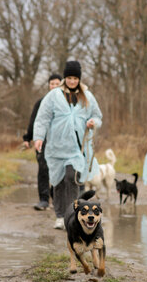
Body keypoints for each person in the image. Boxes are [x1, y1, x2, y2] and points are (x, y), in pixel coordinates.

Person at [33, 60, 103, 229]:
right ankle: (59, 216)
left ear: (79, 79)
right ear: (65, 78)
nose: (72, 81)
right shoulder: (54, 95)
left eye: (75, 78)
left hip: (77, 148)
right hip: (56, 147)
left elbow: (97, 116)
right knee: (58, 181)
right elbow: (42, 118)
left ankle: (71, 215)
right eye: (69, 78)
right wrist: (39, 137)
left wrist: (93, 122)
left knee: (71, 178)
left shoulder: (87, 96)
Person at [23, 73, 62, 210]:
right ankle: (44, 200)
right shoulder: (41, 102)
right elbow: (34, 121)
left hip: (60, 141)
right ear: (49, 86)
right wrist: (28, 138)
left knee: (59, 170)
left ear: (62, 85)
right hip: (43, 140)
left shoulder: (66, 102)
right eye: (52, 84)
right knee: (43, 169)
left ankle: (57, 199)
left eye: (57, 84)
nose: (54, 86)